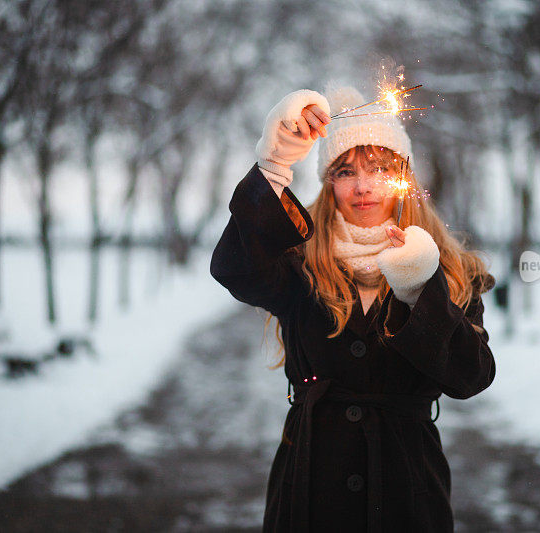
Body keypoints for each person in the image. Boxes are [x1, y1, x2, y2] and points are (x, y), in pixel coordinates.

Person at [210, 84, 496, 532]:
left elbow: (472, 376)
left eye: (380, 168)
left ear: (404, 177)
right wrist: (273, 167)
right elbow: (235, 271)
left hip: (408, 488)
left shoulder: (453, 269)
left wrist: (420, 288)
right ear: (329, 182)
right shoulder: (299, 260)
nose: (363, 187)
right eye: (345, 171)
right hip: (310, 483)